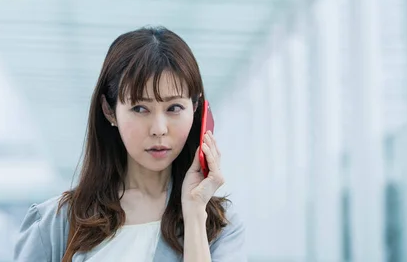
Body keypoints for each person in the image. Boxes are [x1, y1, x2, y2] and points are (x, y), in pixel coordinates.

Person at [14, 26, 245, 261]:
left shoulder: (219, 225)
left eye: (174, 108)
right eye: (140, 108)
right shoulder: (56, 223)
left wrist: (195, 213)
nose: (158, 129)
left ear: (195, 109)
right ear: (109, 111)